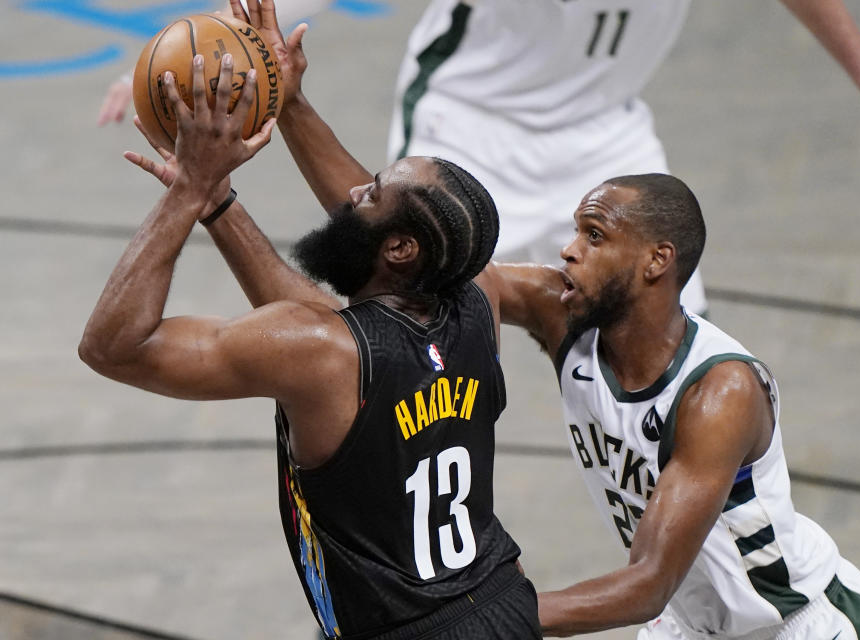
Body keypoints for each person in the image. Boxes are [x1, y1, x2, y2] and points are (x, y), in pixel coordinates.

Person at [204, 4, 860, 637]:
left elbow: (645, 585)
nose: (567, 248)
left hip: (795, 628)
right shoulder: (563, 314)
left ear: (656, 263)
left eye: (594, 237)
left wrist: (465, 618)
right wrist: (292, 105)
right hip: (692, 626)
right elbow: (410, 242)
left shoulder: (720, 394)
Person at [80, 52, 541, 640]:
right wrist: (244, 167)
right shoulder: (479, 297)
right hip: (502, 604)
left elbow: (114, 347)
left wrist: (188, 191)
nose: (349, 191)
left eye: (370, 193)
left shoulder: (324, 352)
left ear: (400, 251)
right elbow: (333, 323)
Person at [99, 1, 860, 315]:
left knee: (678, 345)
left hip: (604, 127)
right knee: (400, 311)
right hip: (473, 121)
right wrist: (201, 49)